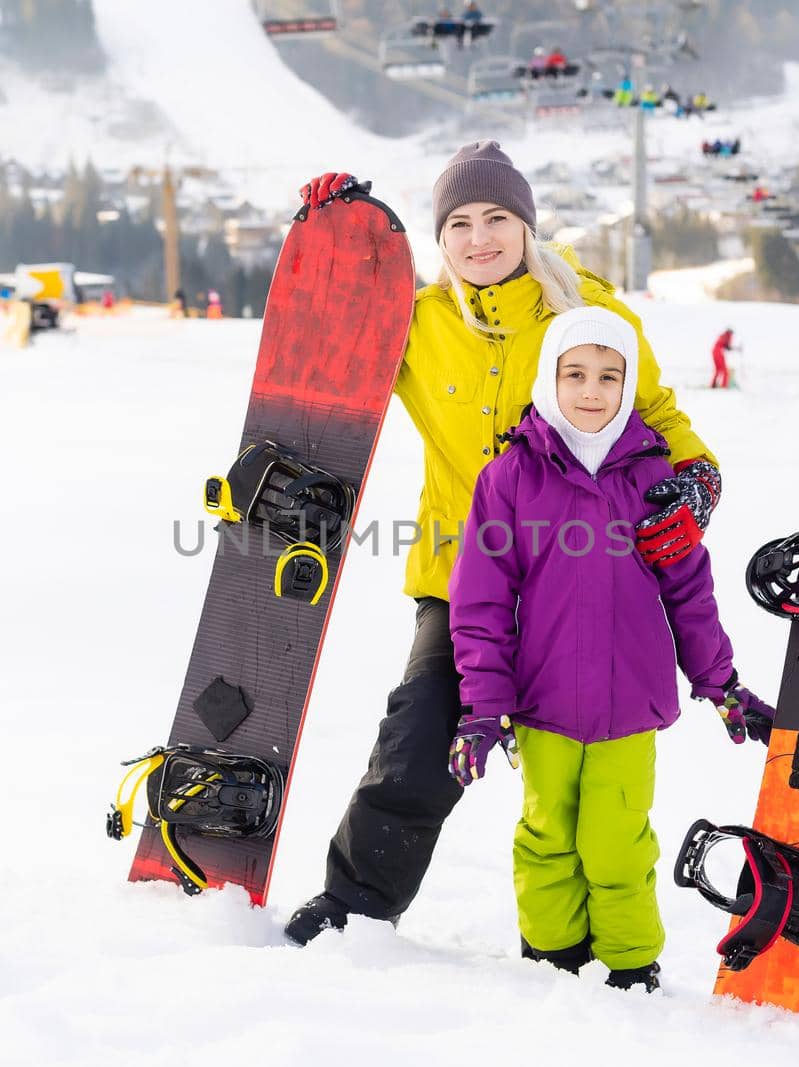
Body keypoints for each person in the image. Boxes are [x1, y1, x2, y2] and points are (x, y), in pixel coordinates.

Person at [285, 142, 721, 945]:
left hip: (578, 583)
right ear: (441, 238)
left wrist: (695, 482)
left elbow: (658, 415)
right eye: (458, 223)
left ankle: (585, 945)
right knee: (417, 740)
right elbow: (332, 323)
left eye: (496, 219)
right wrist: (330, 226)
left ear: (525, 226)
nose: (479, 238)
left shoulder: (586, 315)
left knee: (584, 780)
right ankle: (356, 904)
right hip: (463, 580)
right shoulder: (419, 324)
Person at [447, 306, 773, 990]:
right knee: (546, 836)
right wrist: (483, 708)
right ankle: (552, 950)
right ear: (549, 378)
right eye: (575, 374)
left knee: (617, 839)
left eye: (608, 376)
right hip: (541, 706)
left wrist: (721, 681)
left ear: (628, 386)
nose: (591, 391)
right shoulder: (509, 478)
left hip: (629, 706)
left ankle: (630, 960)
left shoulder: (654, 480)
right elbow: (480, 603)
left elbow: (690, 590)